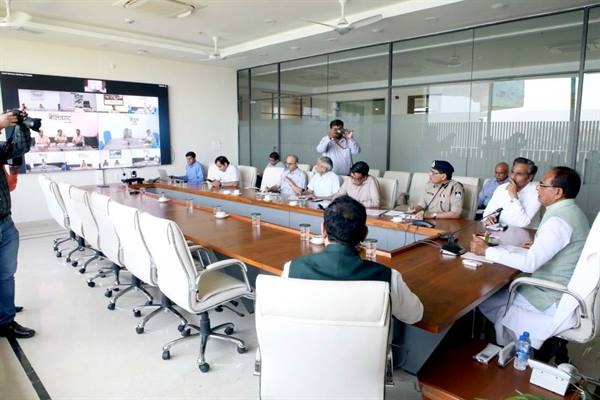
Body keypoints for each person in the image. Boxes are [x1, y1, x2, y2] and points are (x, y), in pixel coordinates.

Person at [470, 167, 590, 348]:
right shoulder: (573, 212)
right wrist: (534, 246)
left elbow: (530, 263)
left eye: (542, 185)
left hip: (550, 296)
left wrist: (487, 251)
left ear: (557, 193)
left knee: (484, 297)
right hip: (559, 288)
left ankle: (509, 348)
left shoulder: (558, 221)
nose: (537, 188)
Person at [284, 196, 423, 324]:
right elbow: (415, 315)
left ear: (323, 230)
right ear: (365, 233)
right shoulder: (389, 277)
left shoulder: (292, 269)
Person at [0, 111, 36, 339]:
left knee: (6, 274)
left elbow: (19, 148)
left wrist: (22, 125)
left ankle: (5, 320)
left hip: (5, 221)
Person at [483, 157, 541, 228]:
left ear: (529, 177)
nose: (513, 177)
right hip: (502, 230)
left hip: (526, 232)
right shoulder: (501, 188)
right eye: (512, 172)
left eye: (519, 174)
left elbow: (523, 223)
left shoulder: (537, 193)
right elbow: (488, 212)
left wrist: (514, 197)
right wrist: (489, 218)